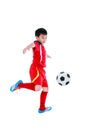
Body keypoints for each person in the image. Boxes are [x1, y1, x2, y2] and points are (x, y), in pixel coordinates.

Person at [10, 28, 52, 113]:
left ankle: (42, 108)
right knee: (37, 88)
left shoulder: (42, 47)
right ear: (37, 37)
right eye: (42, 37)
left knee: (45, 89)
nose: (44, 39)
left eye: (45, 37)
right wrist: (26, 48)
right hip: (36, 68)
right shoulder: (36, 43)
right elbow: (32, 44)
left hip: (42, 70)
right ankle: (19, 85)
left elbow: (43, 53)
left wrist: (47, 55)